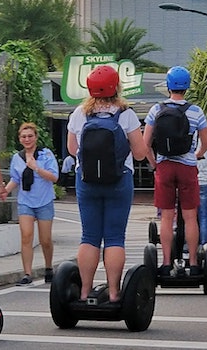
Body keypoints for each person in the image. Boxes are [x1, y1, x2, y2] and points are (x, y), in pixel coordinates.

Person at [67, 65, 147, 303]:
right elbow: (141, 153)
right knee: (114, 237)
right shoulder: (126, 114)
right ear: (117, 87)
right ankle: (113, 293)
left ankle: (84, 292)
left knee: (89, 236)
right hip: (119, 181)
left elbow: (73, 149)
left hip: (87, 181)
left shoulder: (80, 113)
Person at [143, 65, 207, 277]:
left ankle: (165, 262)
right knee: (190, 217)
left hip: (165, 165)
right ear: (187, 86)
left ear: (168, 85)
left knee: (166, 217)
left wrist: (154, 163)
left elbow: (145, 144)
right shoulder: (196, 111)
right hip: (187, 167)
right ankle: (193, 262)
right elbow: (205, 144)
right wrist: (195, 155)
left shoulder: (156, 110)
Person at [1, 123, 59, 285]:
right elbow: (15, 179)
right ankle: (27, 273)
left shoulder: (45, 155)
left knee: (45, 239)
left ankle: (48, 268)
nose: (27, 139)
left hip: (44, 200)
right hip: (26, 201)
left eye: (30, 136)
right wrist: (5, 190)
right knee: (26, 236)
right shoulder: (17, 158)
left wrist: (36, 168)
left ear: (36, 137)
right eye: (24, 137)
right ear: (20, 139)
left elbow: (54, 177)